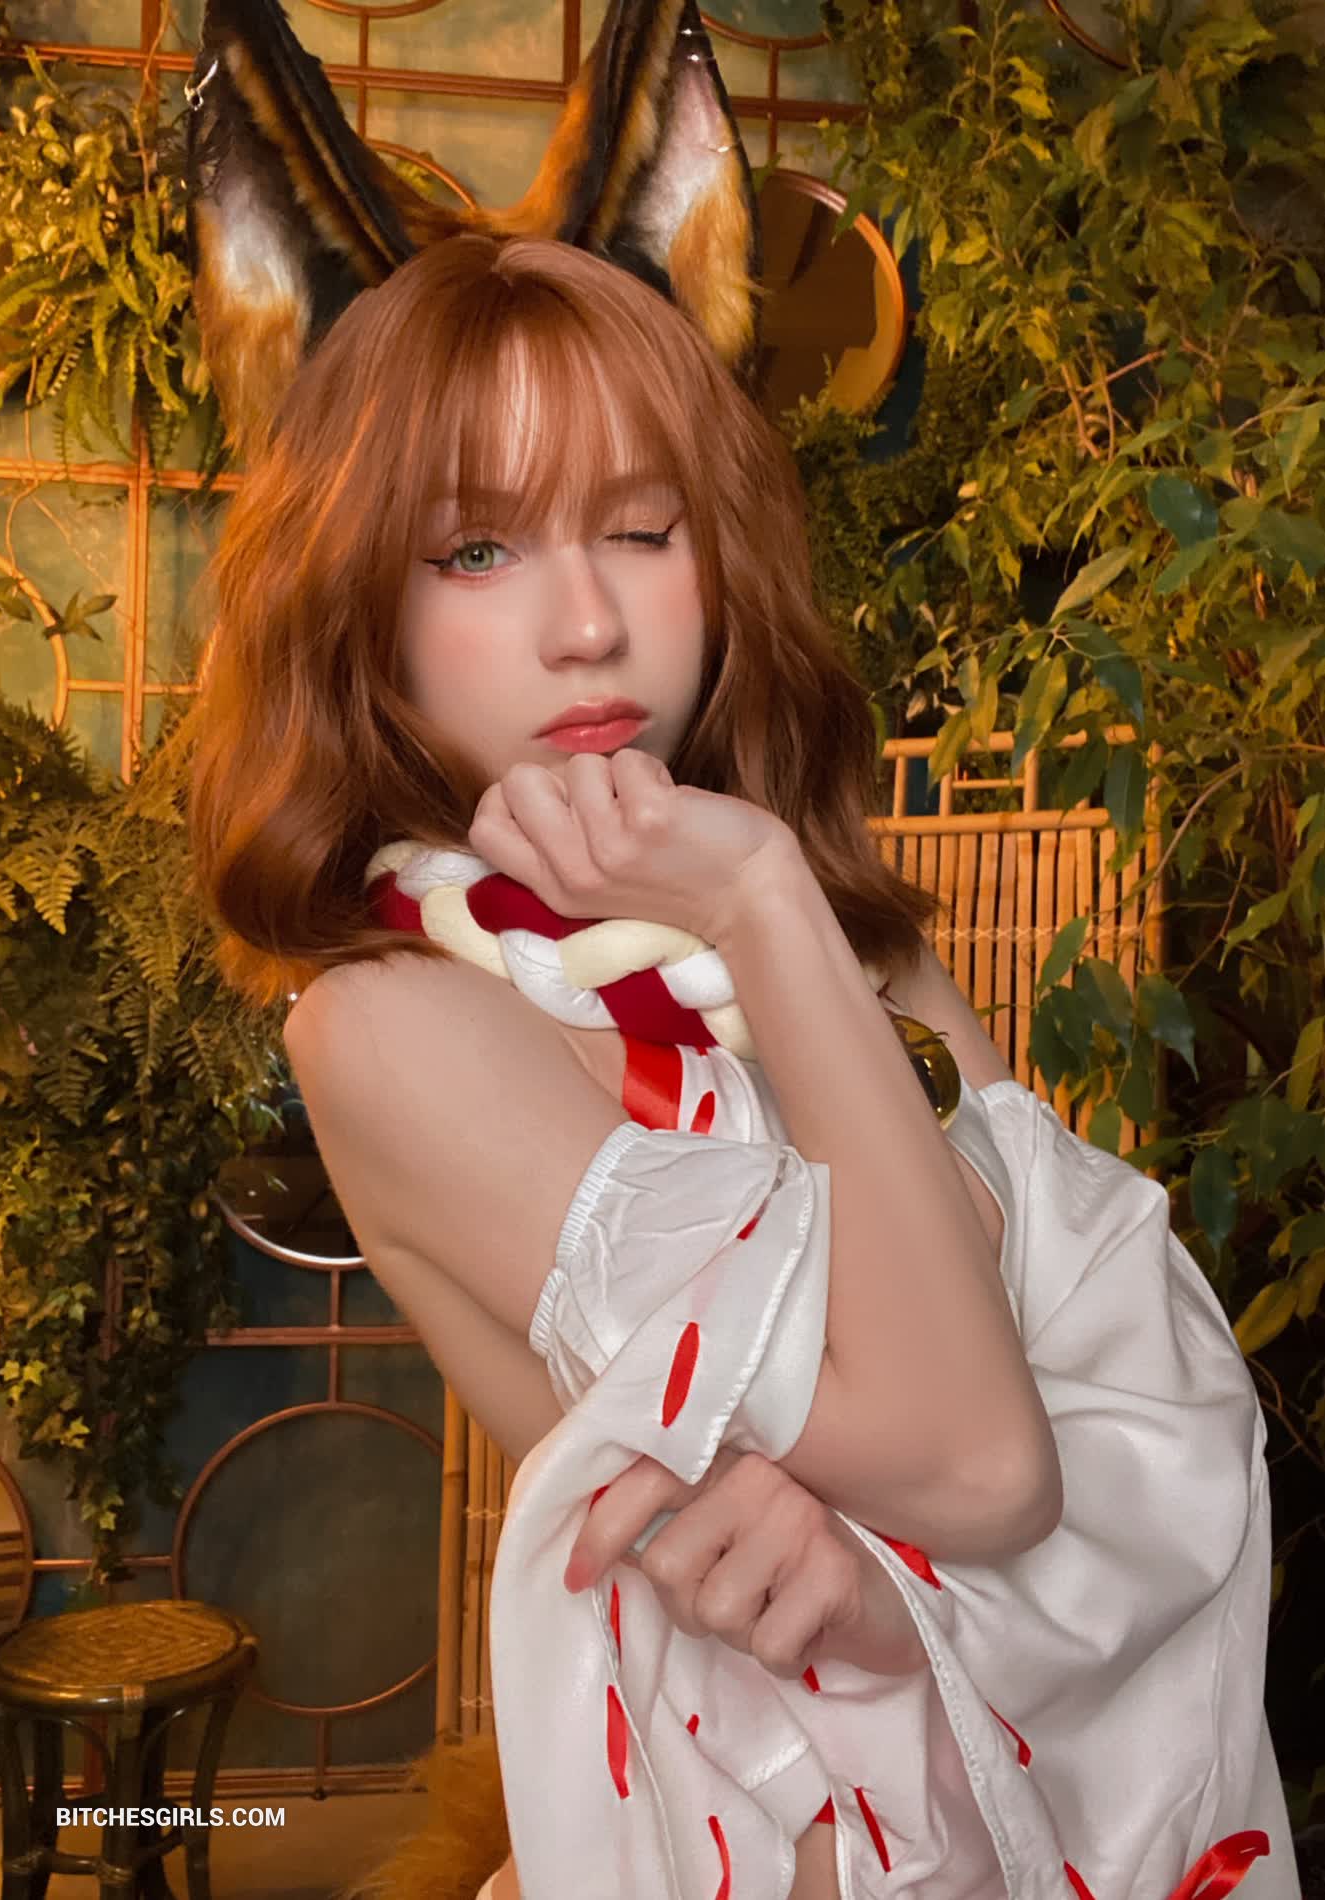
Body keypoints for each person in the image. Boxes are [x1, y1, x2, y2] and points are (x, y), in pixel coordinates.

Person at [182, 5, 1297, 1898]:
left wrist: (777, 911)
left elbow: (1145, 1372)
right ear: (358, 604)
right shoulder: (390, 1020)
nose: (587, 626)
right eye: (475, 552)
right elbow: (983, 1461)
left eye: (641, 529)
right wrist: (770, 912)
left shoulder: (838, 939)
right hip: (758, 1828)